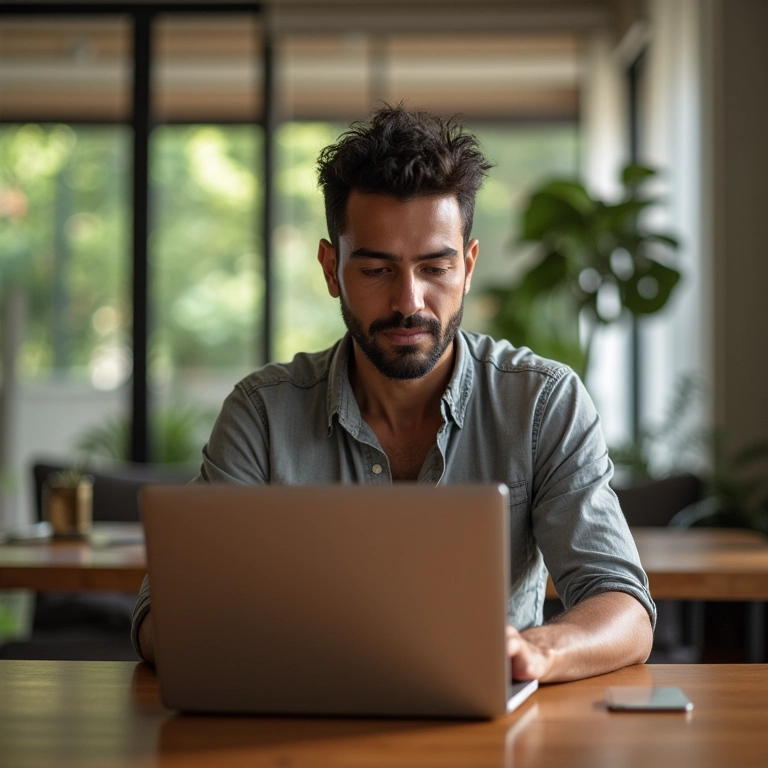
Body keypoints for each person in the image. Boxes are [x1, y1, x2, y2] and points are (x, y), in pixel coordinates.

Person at [132, 105, 655, 680]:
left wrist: (536, 652)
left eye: (435, 267)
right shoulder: (263, 413)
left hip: (486, 724)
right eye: (378, 270)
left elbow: (624, 607)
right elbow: (162, 617)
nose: (409, 301)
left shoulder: (541, 402)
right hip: (298, 724)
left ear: (468, 267)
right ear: (332, 269)